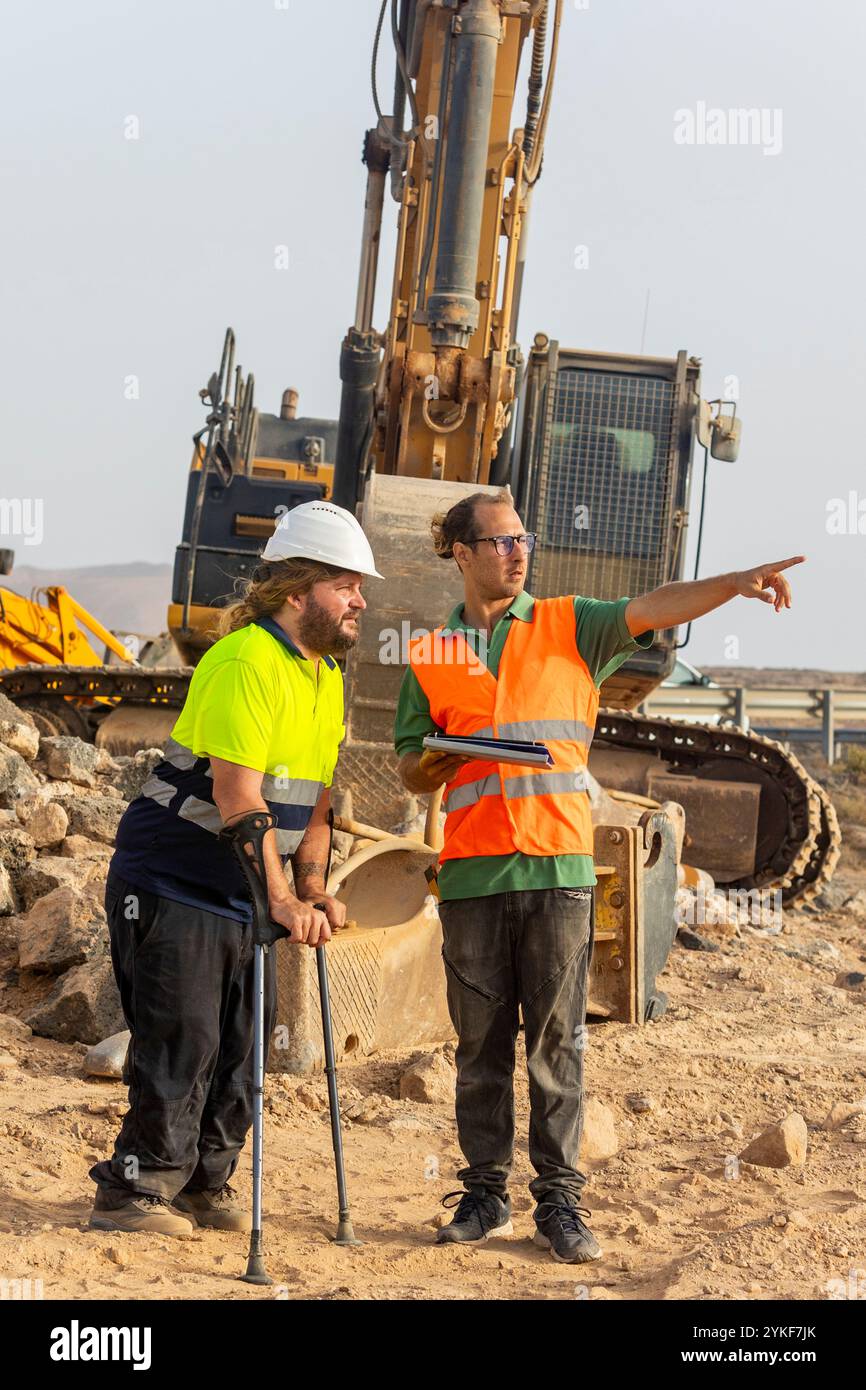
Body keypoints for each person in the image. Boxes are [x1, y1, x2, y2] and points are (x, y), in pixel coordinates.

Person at [395, 489, 803, 1264]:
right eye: (500, 541)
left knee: (557, 1042)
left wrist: (733, 581)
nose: (518, 552)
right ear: (461, 552)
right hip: (475, 873)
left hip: (559, 869)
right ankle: (484, 1198)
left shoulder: (568, 623)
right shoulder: (432, 652)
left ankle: (560, 1204)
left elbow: (653, 605)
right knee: (479, 1045)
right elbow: (413, 765)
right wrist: (443, 756)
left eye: (524, 539)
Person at [88, 501, 382, 1236]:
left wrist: (312, 888)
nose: (361, 601)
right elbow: (237, 796)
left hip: (241, 891)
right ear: (297, 591)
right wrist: (283, 900)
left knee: (242, 1054)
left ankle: (203, 1187)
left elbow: (312, 804)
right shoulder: (244, 660)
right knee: (182, 1040)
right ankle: (134, 1191)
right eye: (346, 585)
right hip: (172, 878)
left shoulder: (325, 677)